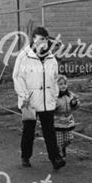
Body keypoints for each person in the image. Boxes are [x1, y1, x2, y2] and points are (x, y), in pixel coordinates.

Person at [13, 26, 63, 170]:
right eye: (39, 39)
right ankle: (25, 156)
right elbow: (17, 77)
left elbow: (54, 78)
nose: (42, 42)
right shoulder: (24, 57)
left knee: (50, 132)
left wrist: (54, 95)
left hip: (47, 101)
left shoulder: (51, 58)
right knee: (29, 130)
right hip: (30, 101)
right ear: (33, 40)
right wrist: (24, 96)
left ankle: (55, 159)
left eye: (45, 39)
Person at [54, 75, 79, 160]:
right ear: (56, 86)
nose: (63, 86)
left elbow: (76, 106)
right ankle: (59, 152)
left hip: (68, 120)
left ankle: (63, 148)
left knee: (69, 138)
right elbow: (50, 107)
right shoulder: (54, 96)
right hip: (57, 121)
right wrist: (54, 106)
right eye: (60, 84)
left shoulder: (70, 95)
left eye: (65, 83)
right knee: (59, 140)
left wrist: (74, 103)